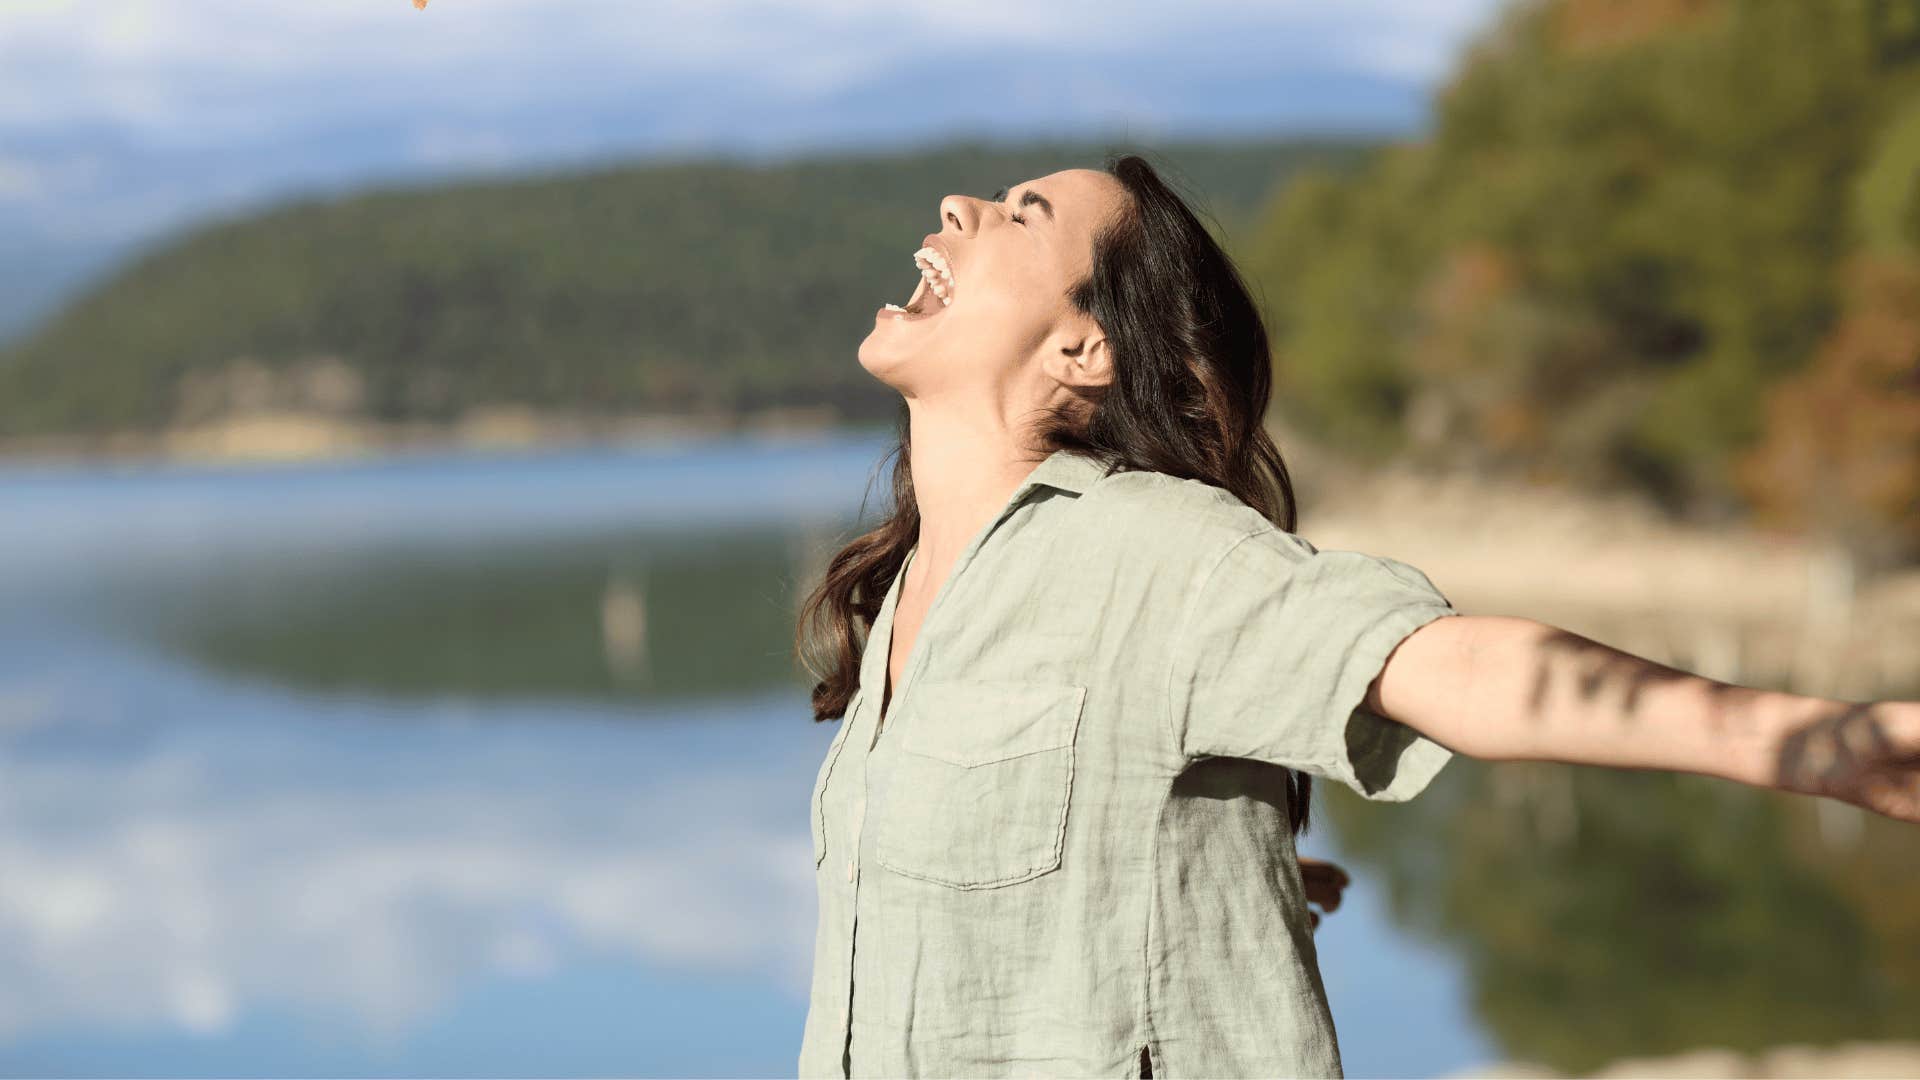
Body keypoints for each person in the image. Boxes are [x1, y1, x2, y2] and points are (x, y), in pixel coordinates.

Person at [791, 153, 1920, 1079]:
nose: (959, 206)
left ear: (1084, 348)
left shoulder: (1155, 552)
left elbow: (1458, 669)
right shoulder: (904, 599)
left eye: (1020, 214)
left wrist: (1825, 747)